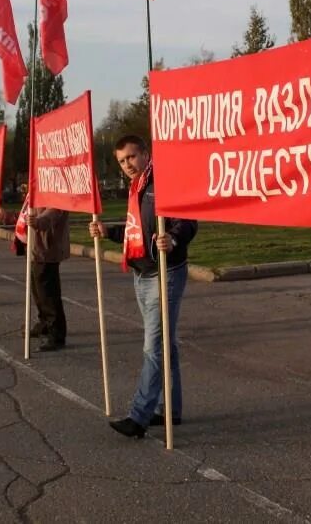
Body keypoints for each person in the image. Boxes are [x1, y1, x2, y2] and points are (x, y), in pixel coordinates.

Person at [89, 135, 197, 438]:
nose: (127, 165)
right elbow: (136, 230)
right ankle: (170, 409)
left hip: (166, 273)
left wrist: (173, 238)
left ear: (146, 154)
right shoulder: (136, 187)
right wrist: (108, 231)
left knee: (154, 346)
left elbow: (187, 221)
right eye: (122, 161)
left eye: (132, 157)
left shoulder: (163, 182)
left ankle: (139, 416)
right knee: (165, 345)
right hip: (142, 274)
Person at [0, 202, 70, 352]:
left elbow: (54, 212)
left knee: (48, 294)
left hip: (46, 250)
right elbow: (25, 215)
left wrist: (38, 221)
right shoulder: (35, 193)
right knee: (37, 291)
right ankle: (44, 323)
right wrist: (6, 215)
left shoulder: (53, 193)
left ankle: (56, 333)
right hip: (35, 248)